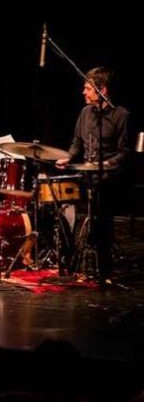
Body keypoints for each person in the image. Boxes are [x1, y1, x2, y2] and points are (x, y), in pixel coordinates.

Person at [56, 66, 130, 280]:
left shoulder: (121, 116)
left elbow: (125, 152)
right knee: (56, 197)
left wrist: (108, 164)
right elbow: (77, 142)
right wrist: (69, 157)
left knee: (101, 219)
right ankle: (67, 256)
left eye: (88, 89)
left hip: (110, 178)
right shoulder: (85, 113)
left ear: (102, 90)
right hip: (86, 174)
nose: (83, 92)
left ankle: (103, 268)